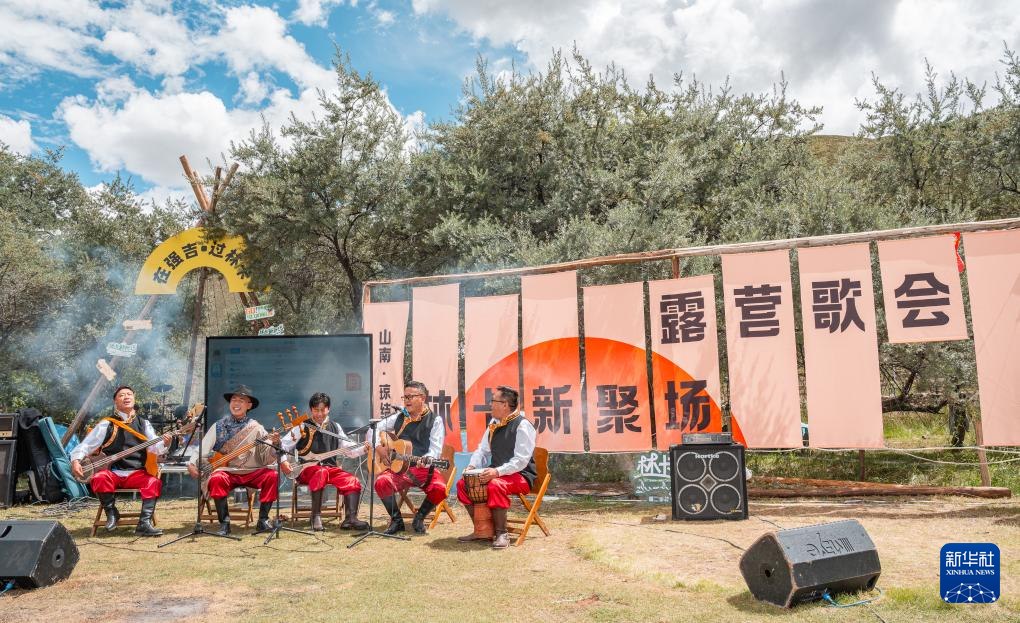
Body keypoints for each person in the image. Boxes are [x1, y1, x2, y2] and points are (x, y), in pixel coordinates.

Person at [187, 385, 291, 535]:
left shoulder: (256, 427)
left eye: (241, 400)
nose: (236, 403)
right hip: (228, 471)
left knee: (272, 476)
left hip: (252, 471)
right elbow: (202, 448)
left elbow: (267, 453)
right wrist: (191, 464)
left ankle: (263, 521)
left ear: (249, 405)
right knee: (216, 478)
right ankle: (224, 524)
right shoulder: (218, 426)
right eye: (233, 400)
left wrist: (276, 443)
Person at [70, 385, 171, 537]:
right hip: (113, 473)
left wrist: (166, 443)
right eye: (121, 395)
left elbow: (156, 448)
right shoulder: (107, 424)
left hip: (137, 473)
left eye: (129, 394)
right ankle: (112, 513)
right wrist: (76, 460)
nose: (126, 397)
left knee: (153, 483)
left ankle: (144, 524)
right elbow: (86, 445)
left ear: (134, 399)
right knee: (99, 478)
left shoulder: (143, 423)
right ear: (115, 402)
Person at [457, 385, 536, 549]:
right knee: (462, 484)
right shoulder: (494, 424)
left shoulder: (522, 425)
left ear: (505, 405)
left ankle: (501, 533)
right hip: (497, 473)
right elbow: (482, 450)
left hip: (521, 475)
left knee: (495, 484)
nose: (490, 404)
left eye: (493, 401)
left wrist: (497, 472)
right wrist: (472, 466)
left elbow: (521, 460)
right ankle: (483, 529)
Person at [281, 392, 369, 531]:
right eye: (316, 410)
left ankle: (350, 518)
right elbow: (283, 445)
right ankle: (315, 516)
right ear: (311, 410)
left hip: (331, 469)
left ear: (328, 409)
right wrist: (283, 461)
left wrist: (364, 448)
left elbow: (348, 449)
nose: (319, 414)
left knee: (352, 480)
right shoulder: (302, 426)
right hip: (307, 470)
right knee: (320, 472)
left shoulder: (335, 427)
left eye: (323, 410)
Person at [373, 381, 448, 535]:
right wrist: (378, 447)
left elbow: (435, 450)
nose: (406, 400)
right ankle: (397, 521)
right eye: (405, 397)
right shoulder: (398, 417)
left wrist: (425, 460)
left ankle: (419, 518)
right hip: (399, 468)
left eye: (410, 397)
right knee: (381, 482)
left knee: (440, 488)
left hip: (423, 469)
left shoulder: (435, 420)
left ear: (422, 398)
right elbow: (375, 428)